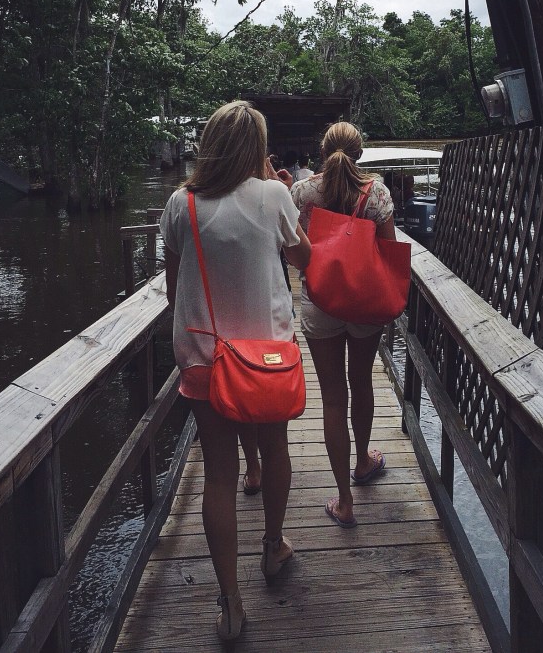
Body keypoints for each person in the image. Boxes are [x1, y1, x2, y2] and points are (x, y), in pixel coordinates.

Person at [160, 100, 310, 642]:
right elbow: (305, 259)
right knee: (275, 451)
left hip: (206, 359)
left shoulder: (181, 203)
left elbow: (173, 286)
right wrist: (274, 183)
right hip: (267, 358)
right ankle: (272, 548)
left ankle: (230, 604)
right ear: (257, 150)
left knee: (219, 476)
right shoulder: (273, 196)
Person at [290, 121, 395, 528]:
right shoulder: (377, 192)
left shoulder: (302, 192)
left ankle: (345, 501)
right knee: (362, 381)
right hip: (364, 302)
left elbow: (291, 250)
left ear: (322, 151)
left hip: (320, 301)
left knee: (333, 398)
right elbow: (388, 251)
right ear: (360, 153)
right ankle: (363, 462)